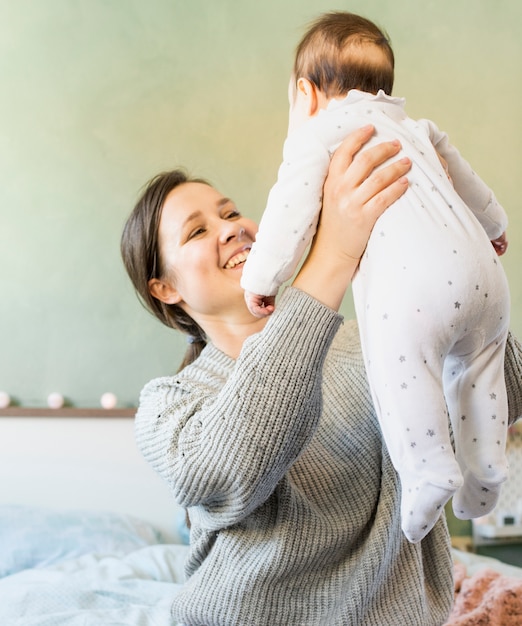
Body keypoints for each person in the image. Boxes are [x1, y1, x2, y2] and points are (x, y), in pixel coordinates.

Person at [121, 127, 522, 625]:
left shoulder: (374, 338)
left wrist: (452, 239)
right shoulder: (169, 404)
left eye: (229, 213)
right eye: (197, 231)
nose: (231, 228)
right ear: (164, 288)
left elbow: (505, 391)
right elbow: (229, 472)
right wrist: (332, 254)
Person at [240, 11, 511, 543]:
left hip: (419, 288)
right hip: (486, 275)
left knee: (398, 365)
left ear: (305, 91)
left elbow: (288, 209)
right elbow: (470, 184)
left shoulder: (321, 131)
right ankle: (487, 467)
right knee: (480, 367)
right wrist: (496, 224)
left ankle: (429, 469)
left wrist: (263, 277)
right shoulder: (417, 128)